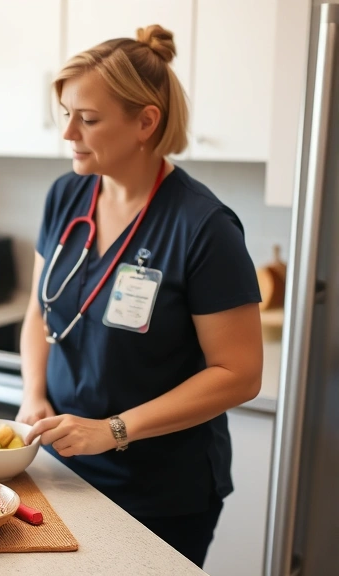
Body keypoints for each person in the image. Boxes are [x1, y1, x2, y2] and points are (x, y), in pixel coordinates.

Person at [19, 25, 263, 567]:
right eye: (65, 114)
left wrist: (114, 430)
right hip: (64, 467)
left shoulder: (203, 226)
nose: (68, 135)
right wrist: (34, 392)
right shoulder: (67, 194)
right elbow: (40, 308)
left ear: (146, 122)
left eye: (88, 119)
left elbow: (240, 373)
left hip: (160, 491)